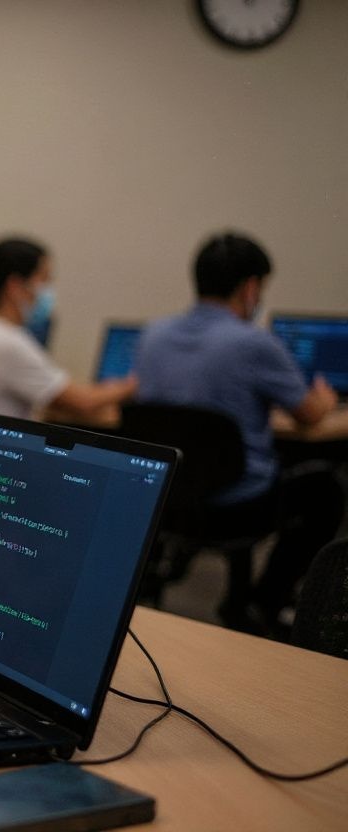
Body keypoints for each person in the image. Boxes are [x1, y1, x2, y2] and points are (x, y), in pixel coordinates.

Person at [133, 231, 342, 632]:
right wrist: (327, 401)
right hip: (238, 509)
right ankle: (265, 603)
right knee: (326, 490)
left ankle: (224, 590)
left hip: (167, 499)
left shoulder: (152, 336)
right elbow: (309, 416)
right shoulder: (254, 343)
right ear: (250, 287)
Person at [0, 237, 137, 433]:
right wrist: (132, 385)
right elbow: (82, 402)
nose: (48, 291)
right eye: (44, 280)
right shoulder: (4, 341)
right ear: (15, 285)